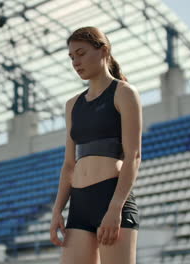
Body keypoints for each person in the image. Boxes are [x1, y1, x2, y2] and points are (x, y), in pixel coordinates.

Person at [50, 26, 143, 264]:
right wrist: (57, 210)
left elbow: (133, 155)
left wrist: (115, 209)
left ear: (104, 51)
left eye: (81, 53)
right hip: (79, 205)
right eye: (71, 57)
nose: (75, 62)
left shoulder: (124, 93)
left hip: (111, 198)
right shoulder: (72, 105)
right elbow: (69, 164)